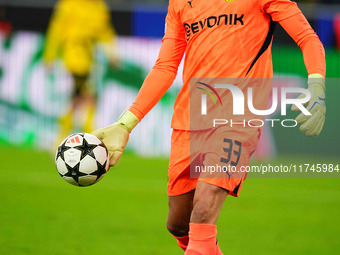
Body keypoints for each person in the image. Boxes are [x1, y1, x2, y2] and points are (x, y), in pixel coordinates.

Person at [92, 0, 326, 254]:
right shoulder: (179, 3)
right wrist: (126, 123)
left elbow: (307, 37)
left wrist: (317, 85)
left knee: (203, 210)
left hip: (238, 117)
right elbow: (166, 66)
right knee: (179, 224)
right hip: (190, 120)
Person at [43, 0, 119, 141]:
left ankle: (65, 137)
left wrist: (112, 52)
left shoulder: (98, 6)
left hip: (88, 60)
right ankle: (88, 137)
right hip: (73, 59)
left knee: (79, 99)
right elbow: (56, 30)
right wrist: (49, 56)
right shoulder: (69, 5)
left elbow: (105, 31)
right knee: (85, 98)